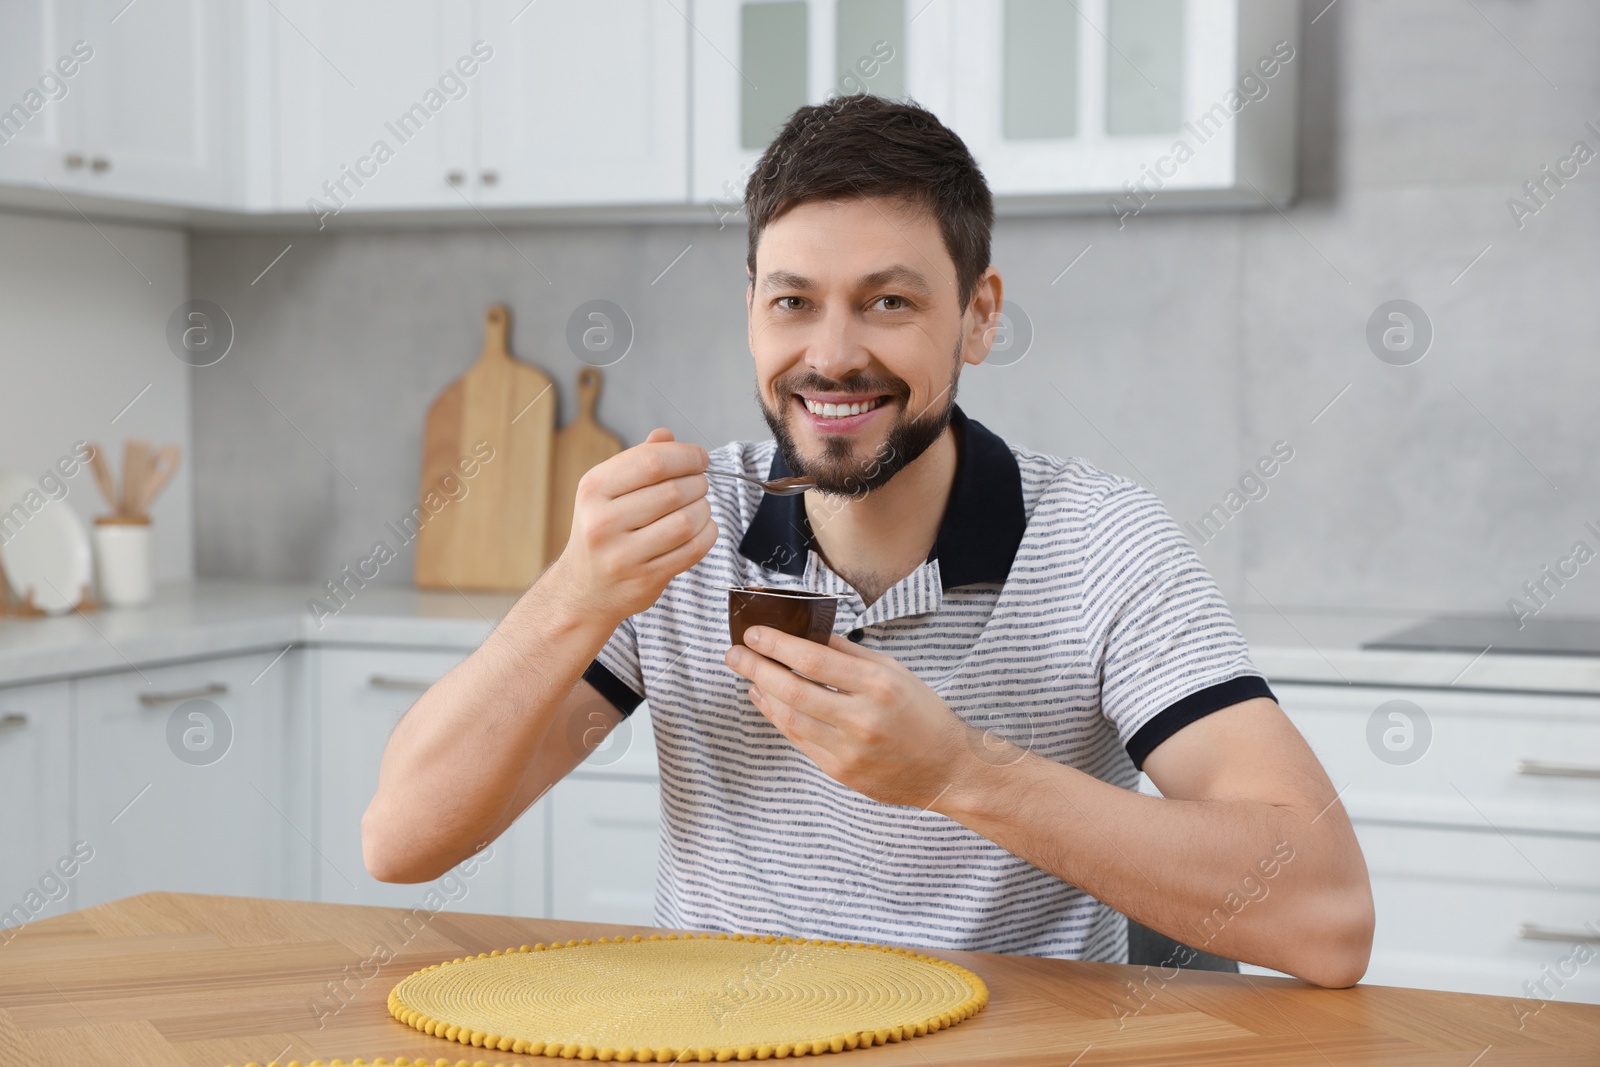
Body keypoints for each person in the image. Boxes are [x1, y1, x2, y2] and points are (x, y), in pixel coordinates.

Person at [363, 94, 1374, 987]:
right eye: (792, 301)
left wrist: (958, 773)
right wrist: (571, 596)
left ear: (978, 316)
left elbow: (1327, 920)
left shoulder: (1103, 545)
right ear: (752, 312)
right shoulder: (681, 534)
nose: (833, 354)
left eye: (888, 301)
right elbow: (401, 840)